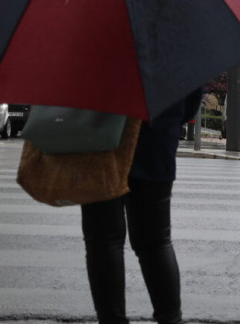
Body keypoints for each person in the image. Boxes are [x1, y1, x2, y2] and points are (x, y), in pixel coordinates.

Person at [81, 89, 201, 324]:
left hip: (99, 132)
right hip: (155, 133)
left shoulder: (88, 50)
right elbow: (190, 94)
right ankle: (170, 319)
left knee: (103, 240)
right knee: (155, 242)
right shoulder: (172, 50)